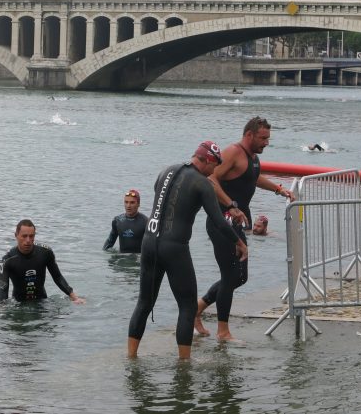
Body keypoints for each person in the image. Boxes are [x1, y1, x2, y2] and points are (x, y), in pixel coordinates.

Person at [127, 141, 248, 359]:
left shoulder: (166, 170)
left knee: (144, 303)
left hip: (149, 243)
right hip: (175, 248)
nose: (214, 171)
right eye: (215, 165)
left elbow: (160, 200)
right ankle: (184, 363)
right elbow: (220, 222)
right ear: (208, 160)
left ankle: (131, 356)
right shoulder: (202, 184)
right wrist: (239, 243)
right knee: (187, 307)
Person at [193, 116, 294, 340]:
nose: (267, 142)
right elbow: (211, 178)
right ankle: (223, 331)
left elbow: (254, 178)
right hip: (222, 221)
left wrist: (280, 190)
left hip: (236, 222)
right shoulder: (232, 152)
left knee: (240, 277)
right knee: (230, 275)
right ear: (249, 135)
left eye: (268, 138)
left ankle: (198, 308)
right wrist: (230, 204)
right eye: (263, 138)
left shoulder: (252, 157)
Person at [0, 219, 85, 304]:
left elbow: (57, 277)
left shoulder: (45, 252)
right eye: (24, 236)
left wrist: (74, 297)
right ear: (16, 235)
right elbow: (3, 291)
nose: (28, 240)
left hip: (42, 303)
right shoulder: (6, 260)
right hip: (19, 305)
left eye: (31, 236)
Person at [103, 189, 148, 253]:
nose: (128, 206)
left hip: (137, 260)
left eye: (132, 202)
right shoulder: (117, 221)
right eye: (126, 202)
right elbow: (107, 246)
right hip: (121, 259)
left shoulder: (146, 222)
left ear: (138, 204)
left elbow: (152, 247)